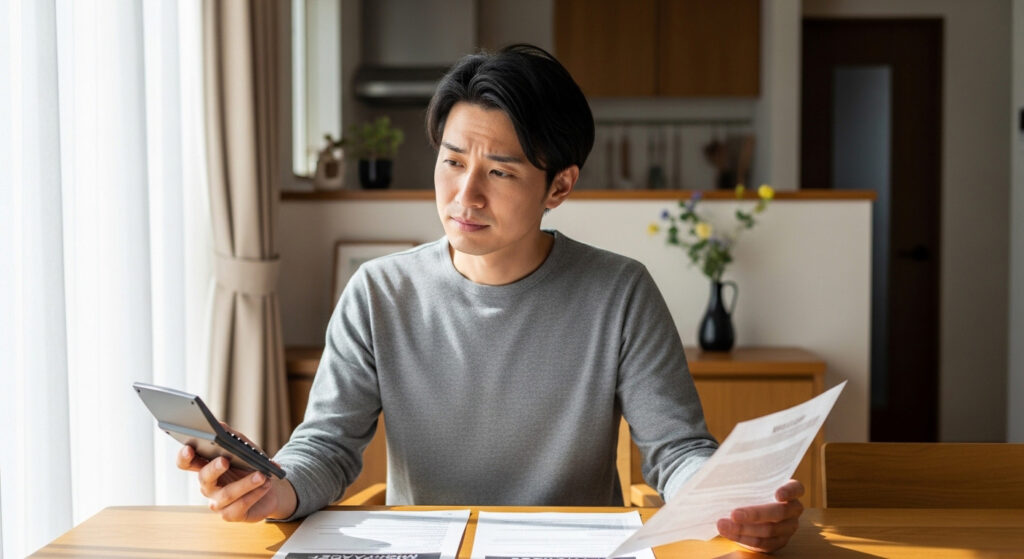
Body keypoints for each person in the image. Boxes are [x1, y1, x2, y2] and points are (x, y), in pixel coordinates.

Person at [177, 44, 804, 553]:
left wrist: (729, 497)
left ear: (559, 187)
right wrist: (274, 489)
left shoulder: (619, 292)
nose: (465, 195)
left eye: (500, 172)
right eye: (453, 162)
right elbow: (327, 448)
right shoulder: (378, 292)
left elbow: (677, 451)